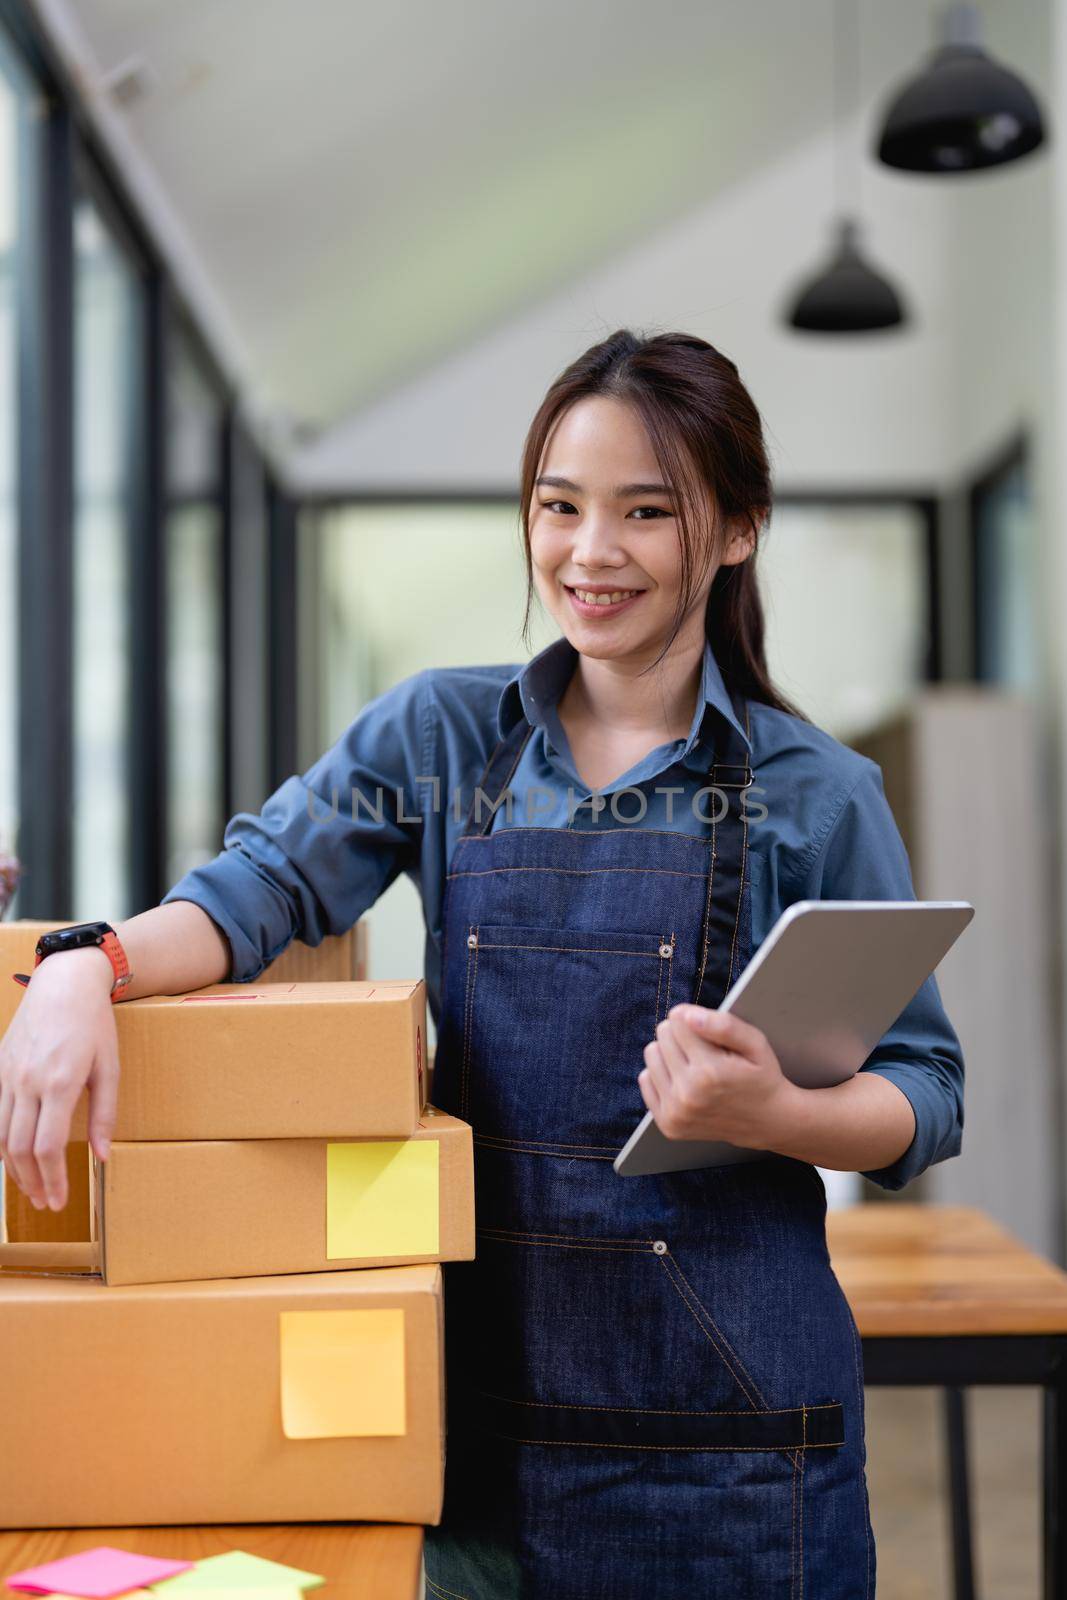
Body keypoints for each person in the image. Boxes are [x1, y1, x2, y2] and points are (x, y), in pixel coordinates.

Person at [0, 329, 964, 1599]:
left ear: (736, 529)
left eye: (644, 511)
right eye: (557, 506)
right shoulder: (442, 737)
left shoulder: (816, 794)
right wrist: (87, 962)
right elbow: (261, 888)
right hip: (477, 1434)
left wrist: (775, 1112)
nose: (587, 551)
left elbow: (925, 1091)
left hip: (733, 1461)